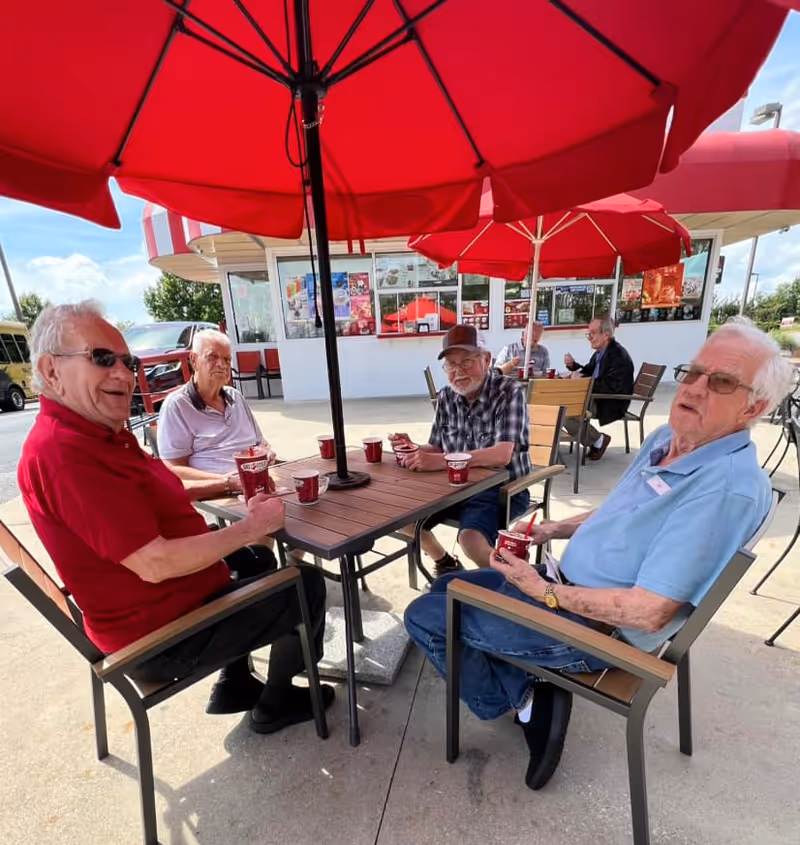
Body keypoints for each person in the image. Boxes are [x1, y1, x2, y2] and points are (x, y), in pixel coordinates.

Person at [405, 318, 792, 790]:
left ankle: (524, 701)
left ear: (757, 405)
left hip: (596, 631)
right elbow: (615, 512)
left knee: (427, 616)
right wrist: (556, 527)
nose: (693, 388)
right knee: (446, 586)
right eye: (692, 372)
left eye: (722, 381)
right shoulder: (665, 442)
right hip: (564, 589)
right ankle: (528, 687)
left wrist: (543, 590)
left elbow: (649, 613)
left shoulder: (725, 489)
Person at [18, 301, 334, 734]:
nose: (124, 374)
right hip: (159, 637)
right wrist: (252, 526)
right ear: (51, 371)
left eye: (128, 362)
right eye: (102, 358)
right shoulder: (64, 453)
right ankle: (276, 702)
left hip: (167, 601)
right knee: (306, 584)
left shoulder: (100, 435)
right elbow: (156, 563)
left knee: (257, 562)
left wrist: (239, 529)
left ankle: (236, 683)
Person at [389, 324, 531, 576]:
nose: (459, 371)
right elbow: (436, 446)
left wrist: (441, 461)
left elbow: (502, 454)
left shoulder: (509, 392)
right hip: (454, 487)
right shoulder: (446, 397)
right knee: (404, 520)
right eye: (451, 365)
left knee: (470, 540)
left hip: (501, 489)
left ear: (486, 359)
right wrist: (412, 448)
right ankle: (446, 563)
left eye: (467, 361)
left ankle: (516, 586)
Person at [157, 329, 274, 500]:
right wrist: (229, 481)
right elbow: (172, 469)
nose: (222, 364)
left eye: (227, 359)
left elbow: (260, 443)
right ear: (194, 360)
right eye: (212, 357)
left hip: (258, 484)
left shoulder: (235, 396)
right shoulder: (178, 405)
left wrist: (266, 452)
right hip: (220, 494)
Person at [563, 316, 634, 461]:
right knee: (562, 403)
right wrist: (573, 367)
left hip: (610, 402)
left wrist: (582, 381)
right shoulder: (601, 352)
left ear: (606, 335)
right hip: (597, 397)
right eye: (588, 333)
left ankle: (599, 440)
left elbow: (610, 386)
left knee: (566, 412)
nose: (589, 337)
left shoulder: (617, 355)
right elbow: (588, 371)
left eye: (593, 333)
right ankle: (595, 439)